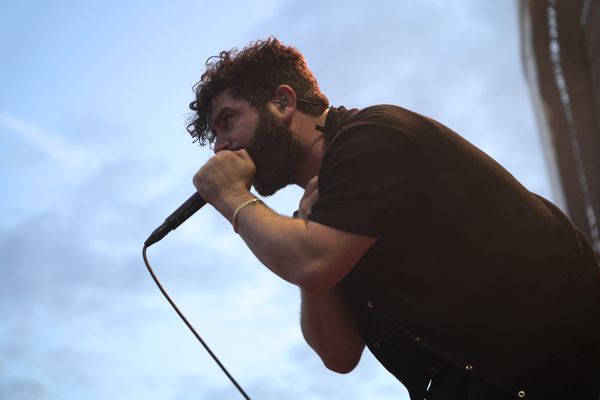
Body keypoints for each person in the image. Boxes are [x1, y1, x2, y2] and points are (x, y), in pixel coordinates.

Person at [188, 37, 600, 400]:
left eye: (228, 120)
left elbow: (312, 261)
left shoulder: (375, 135)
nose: (221, 147)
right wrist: (305, 235)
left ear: (283, 102)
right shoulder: (321, 218)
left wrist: (230, 196)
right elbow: (338, 354)